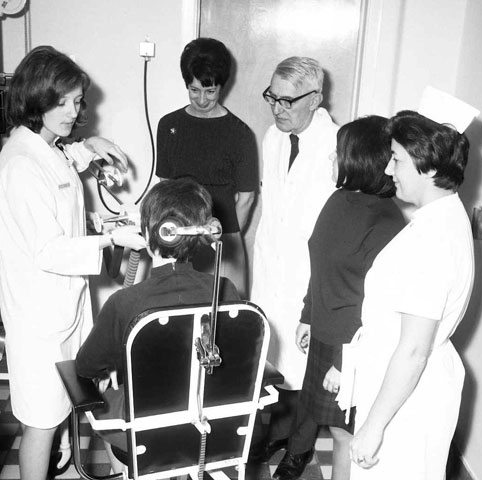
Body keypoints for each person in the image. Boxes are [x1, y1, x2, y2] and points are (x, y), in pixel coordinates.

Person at [0, 45, 145, 480]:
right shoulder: (21, 164)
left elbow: (63, 172)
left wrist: (90, 147)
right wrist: (112, 238)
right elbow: (48, 249)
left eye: (76, 101)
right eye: (63, 101)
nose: (73, 110)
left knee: (70, 403)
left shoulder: (48, 147)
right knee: (41, 420)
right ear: (37, 97)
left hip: (66, 307)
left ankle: (73, 463)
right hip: (39, 319)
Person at [347, 104, 478, 479]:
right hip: (400, 386)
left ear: (430, 166)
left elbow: (415, 347)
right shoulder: (438, 219)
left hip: (408, 400)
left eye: (396, 160)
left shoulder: (434, 240)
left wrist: (373, 427)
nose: (388, 170)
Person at [75, 178, 240, 472]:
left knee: (106, 398)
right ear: (202, 234)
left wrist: (114, 362)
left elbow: (86, 367)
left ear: (150, 234)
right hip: (213, 432)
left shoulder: (125, 303)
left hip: (145, 437)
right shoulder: (225, 291)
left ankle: (122, 471)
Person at [291, 116, 405, 480]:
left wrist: (346, 363)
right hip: (325, 333)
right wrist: (307, 313)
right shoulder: (339, 199)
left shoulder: (387, 222)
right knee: (332, 427)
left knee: (344, 434)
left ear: (361, 159)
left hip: (350, 344)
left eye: (338, 153)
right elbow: (320, 262)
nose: (331, 160)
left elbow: (375, 307)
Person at [250, 56, 338, 478]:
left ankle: (298, 450)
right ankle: (270, 434)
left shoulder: (336, 145)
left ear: (316, 99)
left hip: (308, 271)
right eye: (273, 98)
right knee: (268, 357)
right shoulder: (272, 136)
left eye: (287, 101)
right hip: (271, 264)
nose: (278, 108)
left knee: (308, 366)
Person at [155, 37, 258, 297]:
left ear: (222, 86)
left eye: (210, 91)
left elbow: (246, 199)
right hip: (177, 241)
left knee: (223, 319)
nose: (201, 99)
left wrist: (221, 238)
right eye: (194, 90)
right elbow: (163, 189)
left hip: (222, 242)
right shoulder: (169, 126)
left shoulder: (240, 133)